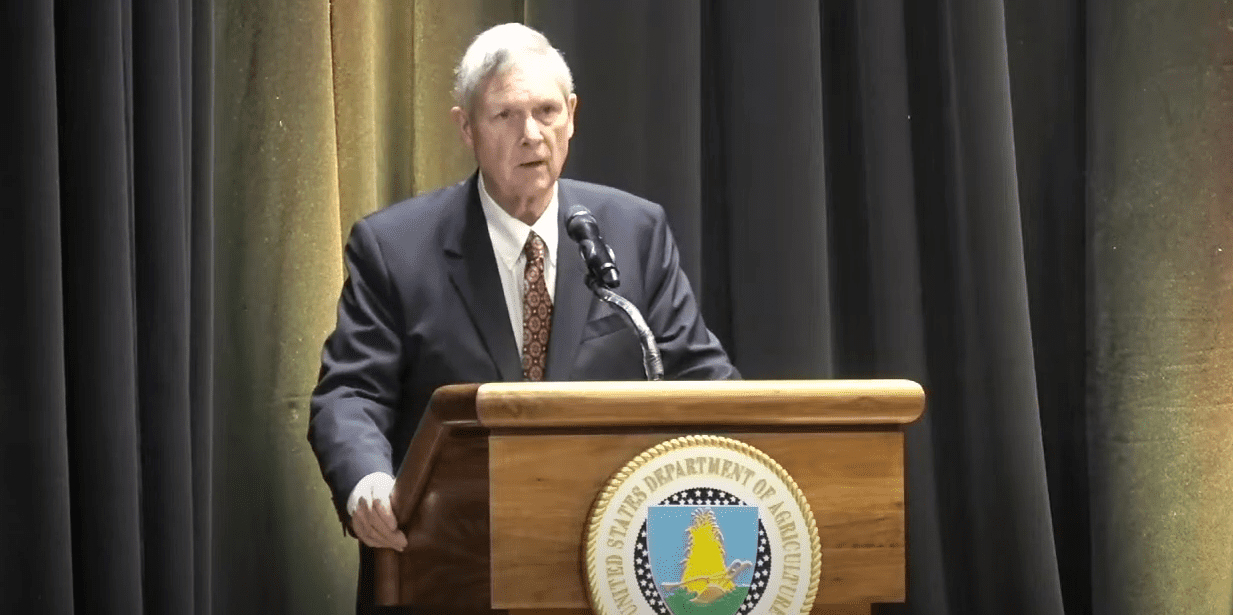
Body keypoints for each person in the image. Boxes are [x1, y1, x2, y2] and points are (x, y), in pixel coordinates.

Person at [307, 22, 738, 611]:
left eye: (546, 111)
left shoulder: (633, 231)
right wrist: (369, 485)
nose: (531, 135)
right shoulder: (395, 247)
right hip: (449, 561)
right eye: (505, 116)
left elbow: (702, 378)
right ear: (466, 128)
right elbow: (351, 393)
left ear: (573, 115)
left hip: (608, 562)